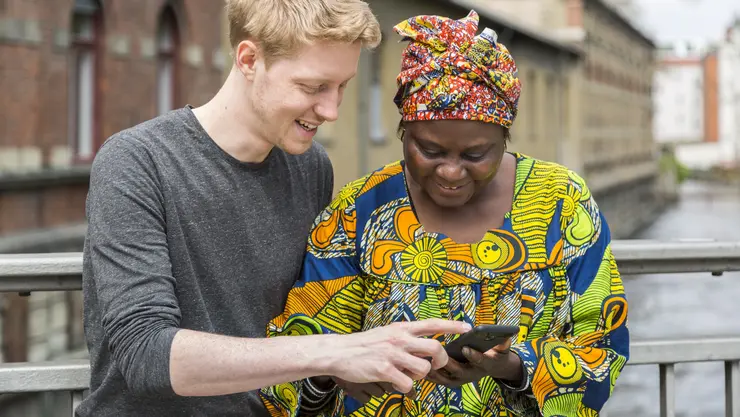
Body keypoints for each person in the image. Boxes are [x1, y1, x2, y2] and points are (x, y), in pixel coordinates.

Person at [77, 1, 471, 416]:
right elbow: (146, 355)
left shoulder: (310, 165)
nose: (331, 110)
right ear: (249, 59)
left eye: (342, 86)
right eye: (312, 87)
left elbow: (306, 321)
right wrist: (333, 352)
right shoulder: (136, 161)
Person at [260, 10, 630, 417]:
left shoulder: (559, 203)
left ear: (504, 137)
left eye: (475, 154)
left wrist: (511, 366)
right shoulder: (360, 211)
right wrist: (334, 371)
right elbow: (297, 353)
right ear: (404, 133)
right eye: (430, 151)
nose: (451, 172)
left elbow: (602, 348)